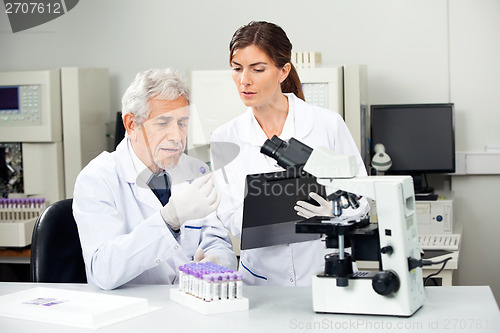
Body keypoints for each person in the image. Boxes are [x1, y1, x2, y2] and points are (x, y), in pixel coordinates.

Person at [210, 21, 369, 286]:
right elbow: (229, 211)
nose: (244, 80)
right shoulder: (225, 138)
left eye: (257, 69)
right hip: (262, 279)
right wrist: (272, 219)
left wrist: (333, 211)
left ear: (283, 71)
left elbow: (361, 197)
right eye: (237, 69)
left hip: (323, 270)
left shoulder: (326, 124)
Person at [73, 68, 237, 290]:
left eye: (182, 123)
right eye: (163, 123)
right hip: (129, 314)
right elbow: (103, 271)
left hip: (189, 305)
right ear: (131, 124)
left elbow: (218, 241)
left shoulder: (193, 170)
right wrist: (168, 220)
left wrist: (215, 262)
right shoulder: (97, 179)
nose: (177, 136)